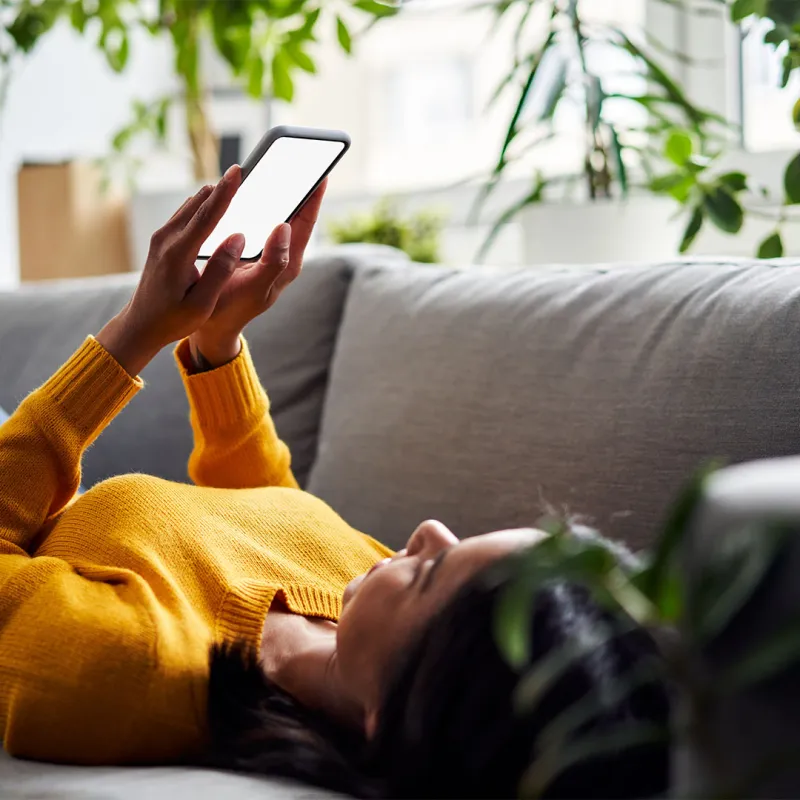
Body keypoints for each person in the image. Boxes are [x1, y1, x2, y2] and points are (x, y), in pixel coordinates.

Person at [0, 167, 670, 798]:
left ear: (393, 709)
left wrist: (135, 332)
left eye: (430, 574)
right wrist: (217, 343)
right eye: (460, 543)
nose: (427, 532)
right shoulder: (363, 588)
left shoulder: (131, 670)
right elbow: (272, 513)